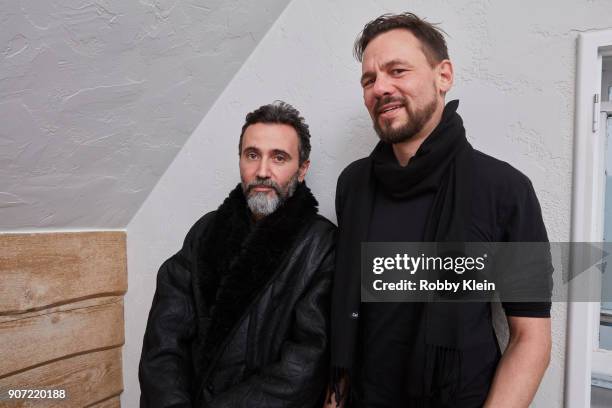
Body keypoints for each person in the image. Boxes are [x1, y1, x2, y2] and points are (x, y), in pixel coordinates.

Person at [328, 13, 552, 407]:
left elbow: (530, 338)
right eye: (369, 79)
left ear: (443, 75)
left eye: (397, 70)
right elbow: (347, 315)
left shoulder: (505, 190)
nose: (380, 88)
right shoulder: (353, 186)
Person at [139, 101, 336, 407]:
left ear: (302, 170)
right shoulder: (205, 232)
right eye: (252, 155)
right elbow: (164, 339)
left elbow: (304, 364)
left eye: (279, 158)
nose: (262, 171)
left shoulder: (321, 246)